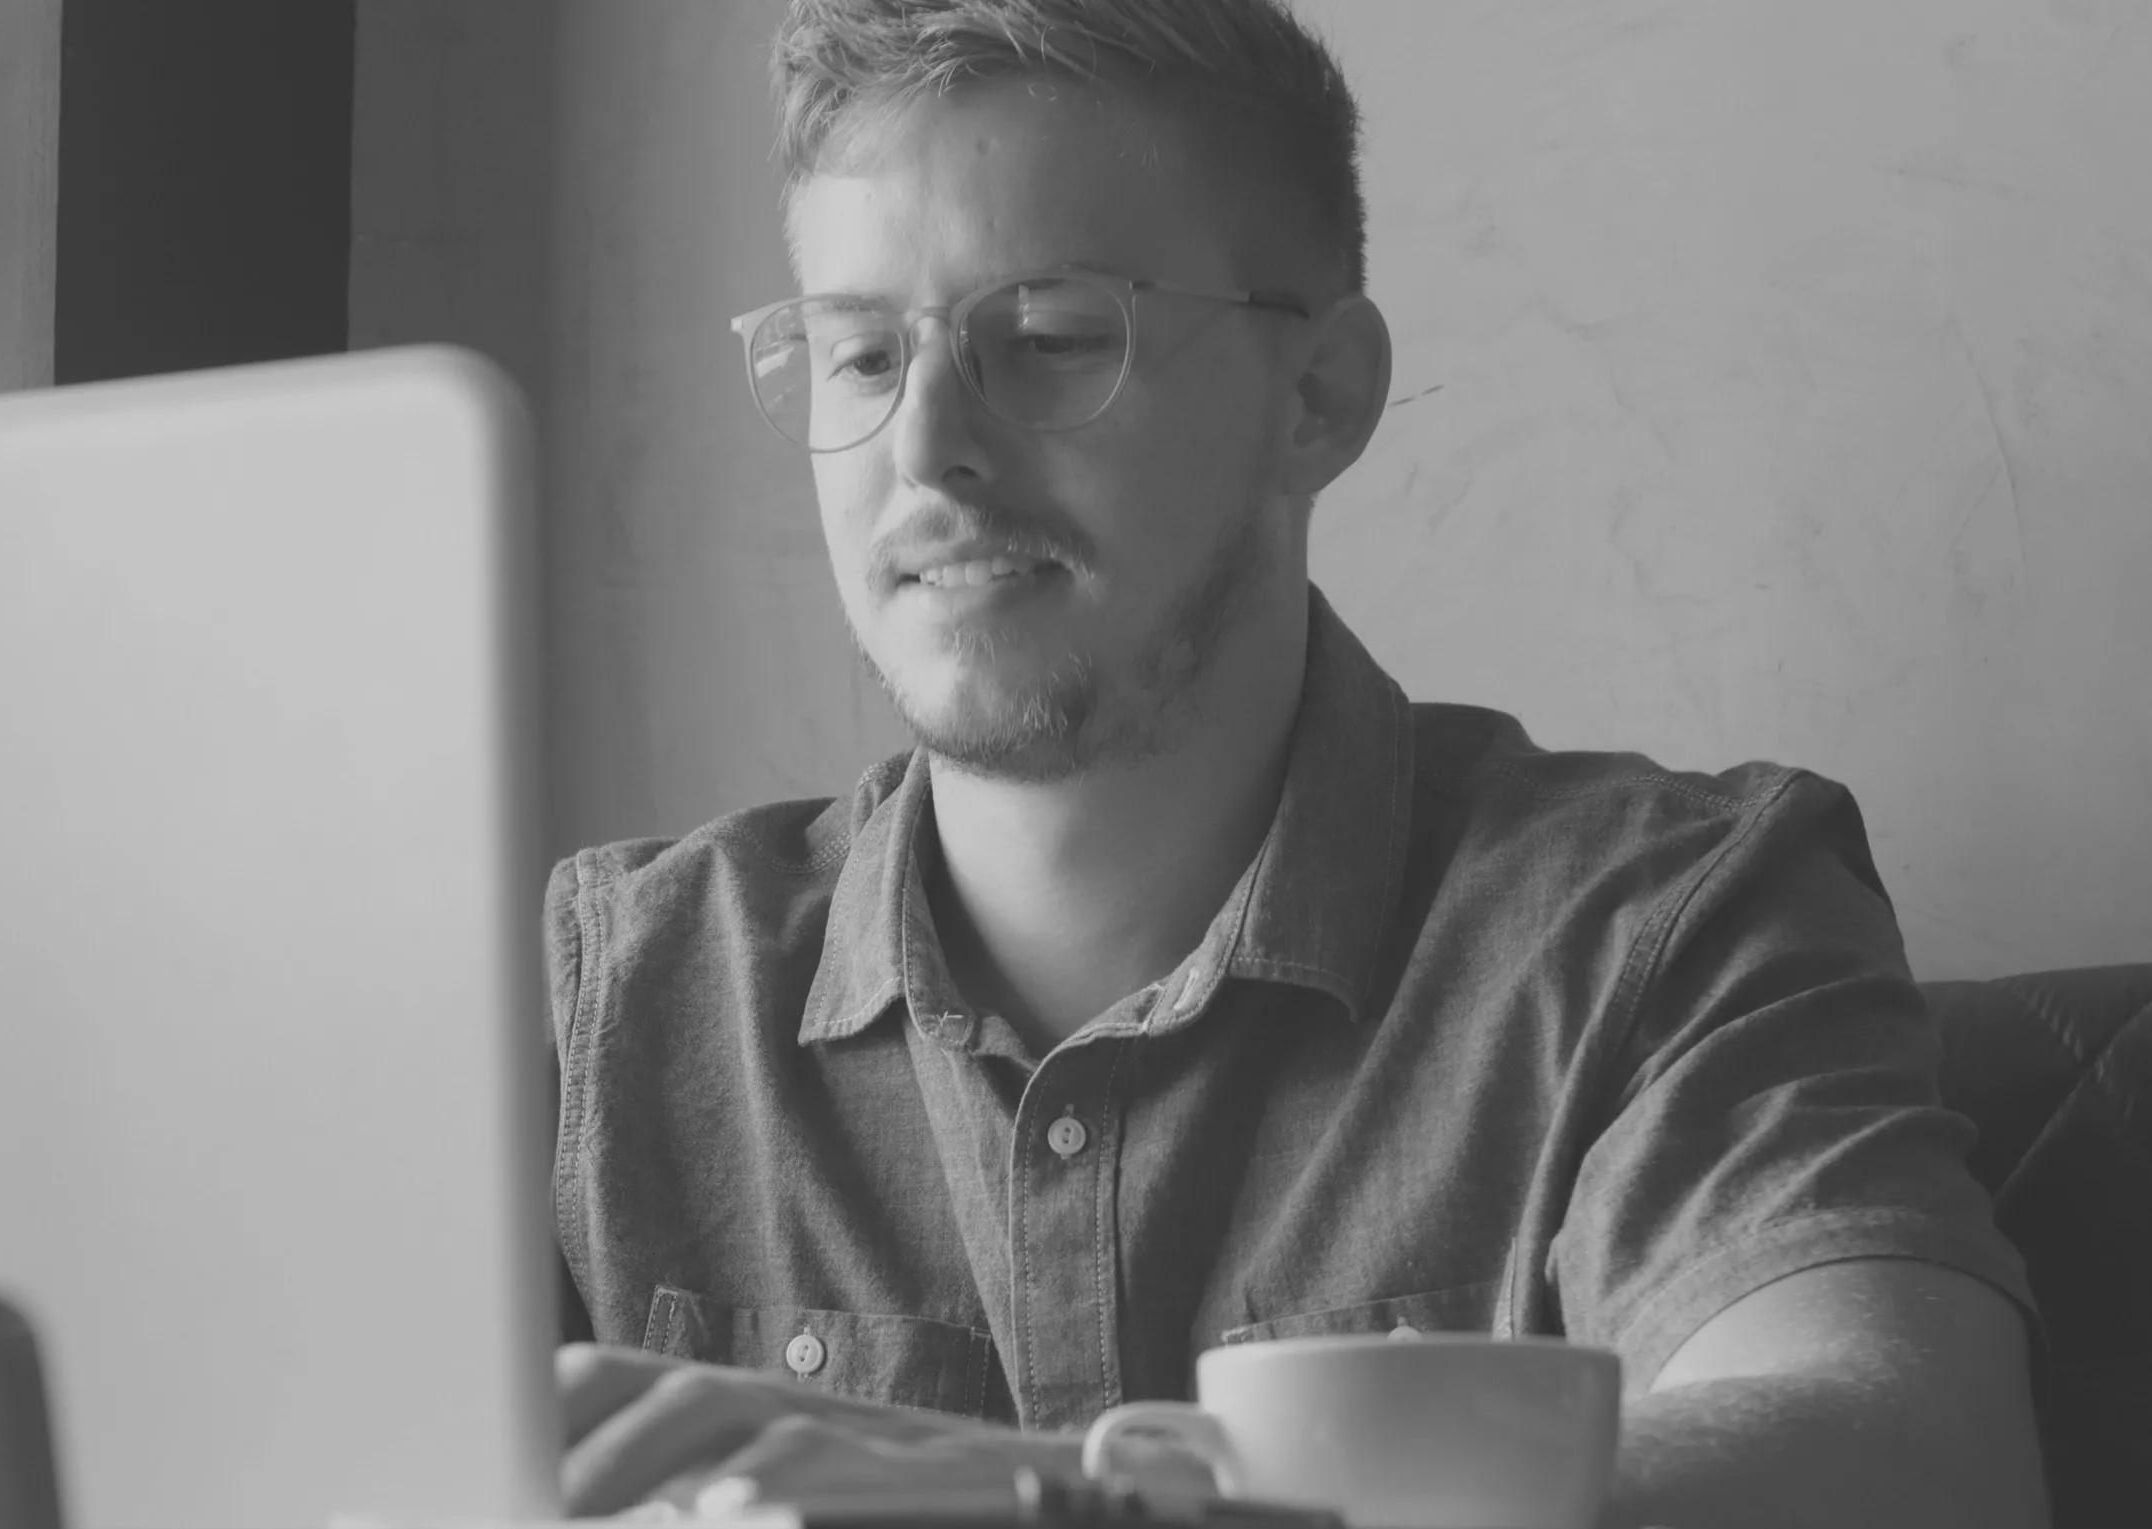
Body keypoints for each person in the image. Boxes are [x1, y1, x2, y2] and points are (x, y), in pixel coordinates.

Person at [547, 2, 2050, 1524]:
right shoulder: (618, 996)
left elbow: (1920, 1465)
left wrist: (1059, 1506)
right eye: (859, 356)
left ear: (1318, 395)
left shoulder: (1665, 929)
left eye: (1053, 338)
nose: (927, 446)